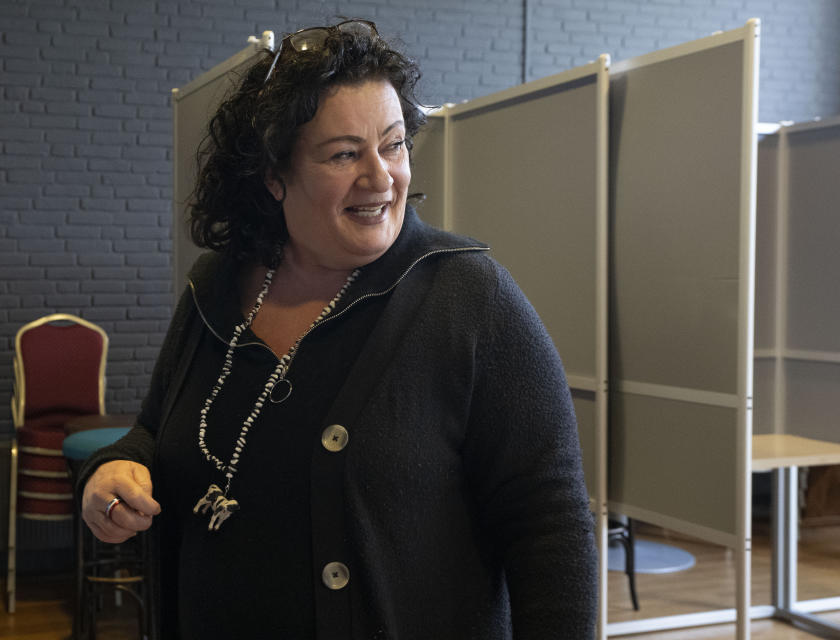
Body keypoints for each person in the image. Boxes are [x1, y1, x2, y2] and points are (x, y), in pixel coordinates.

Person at [80, 19, 597, 639]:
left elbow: (550, 524)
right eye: (345, 153)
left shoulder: (470, 297)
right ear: (274, 176)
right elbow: (154, 432)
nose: (381, 178)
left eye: (395, 144)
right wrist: (114, 471)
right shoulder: (216, 285)